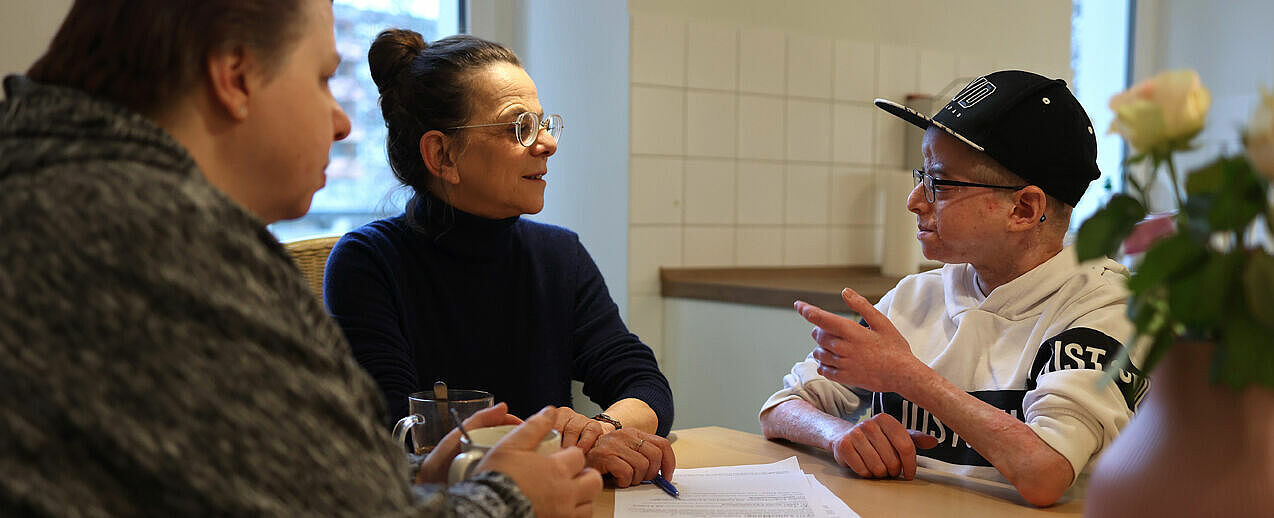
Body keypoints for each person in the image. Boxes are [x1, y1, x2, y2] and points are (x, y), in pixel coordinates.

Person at [0, 1, 601, 516]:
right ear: (235, 74)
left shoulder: (51, 186)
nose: (341, 123)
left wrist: (413, 486)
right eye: (321, 79)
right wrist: (509, 499)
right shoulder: (152, 233)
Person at [758, 70, 1149, 507]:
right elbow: (780, 408)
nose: (915, 200)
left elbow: (1046, 473)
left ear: (1023, 208)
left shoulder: (1106, 306)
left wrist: (906, 375)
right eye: (920, 174)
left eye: (940, 183)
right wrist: (839, 434)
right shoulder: (915, 297)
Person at [323, 30, 675, 489]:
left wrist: (600, 430)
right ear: (442, 154)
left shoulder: (559, 256)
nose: (547, 143)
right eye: (519, 127)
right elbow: (397, 434)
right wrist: (562, 442)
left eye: (544, 123)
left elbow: (644, 384)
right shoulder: (367, 263)